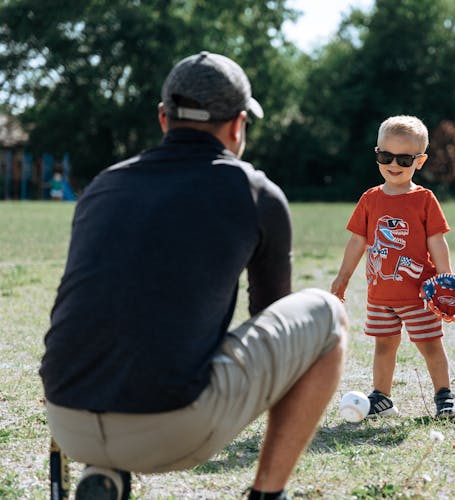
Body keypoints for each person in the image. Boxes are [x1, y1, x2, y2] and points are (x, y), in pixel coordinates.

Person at [40, 51, 348, 500]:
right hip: (175, 429)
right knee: (326, 315)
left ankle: (104, 472)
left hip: (66, 416)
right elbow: (272, 317)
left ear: (164, 119)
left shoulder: (104, 184)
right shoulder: (256, 191)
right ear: (238, 125)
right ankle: (268, 493)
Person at [330, 115, 455, 419]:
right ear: (377, 153)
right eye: (385, 156)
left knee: (430, 345)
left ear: (420, 161)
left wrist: (445, 277)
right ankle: (382, 396)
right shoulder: (370, 199)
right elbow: (357, 242)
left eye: (404, 158)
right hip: (380, 295)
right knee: (384, 346)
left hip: (418, 294)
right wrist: (342, 277)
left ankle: (445, 396)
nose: (394, 164)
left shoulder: (424, 199)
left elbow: (437, 241)